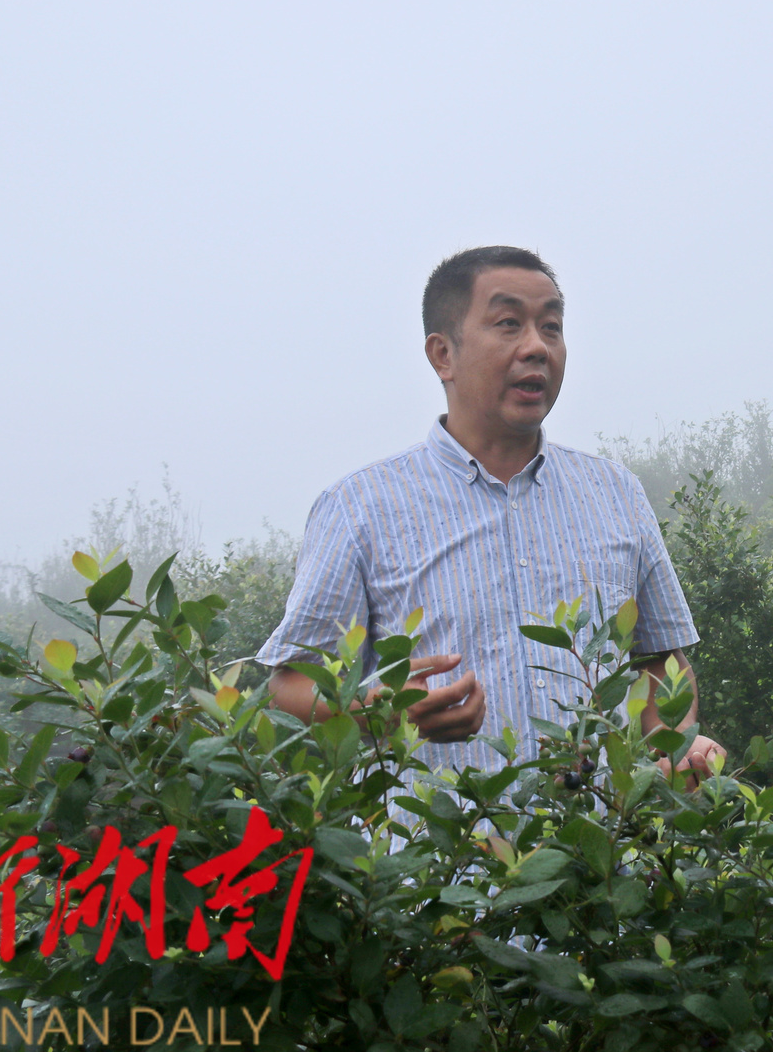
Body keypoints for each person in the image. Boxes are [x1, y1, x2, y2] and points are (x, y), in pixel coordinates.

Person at [259, 245, 725, 784]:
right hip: (438, 836)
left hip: (603, 835)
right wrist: (379, 710)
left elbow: (659, 661)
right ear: (443, 355)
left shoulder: (616, 493)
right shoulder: (359, 507)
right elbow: (289, 687)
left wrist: (678, 743)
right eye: (508, 324)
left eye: (551, 327)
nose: (537, 347)